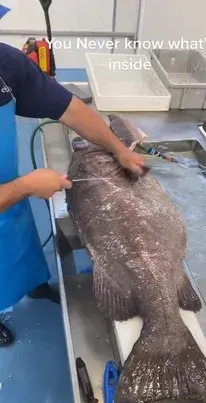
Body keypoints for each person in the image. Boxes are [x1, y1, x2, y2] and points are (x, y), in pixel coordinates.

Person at [0, 42, 145, 347]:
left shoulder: (5, 61)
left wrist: (119, 150)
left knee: (14, 242)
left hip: (7, 191)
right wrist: (25, 186)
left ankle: (29, 283)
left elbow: (71, 109)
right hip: (12, 188)